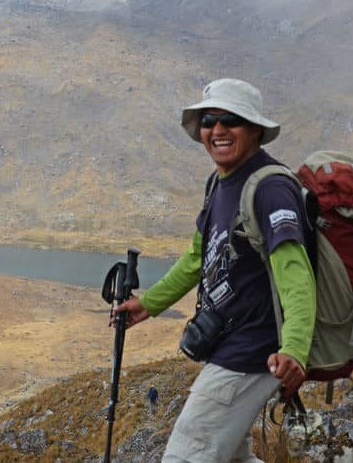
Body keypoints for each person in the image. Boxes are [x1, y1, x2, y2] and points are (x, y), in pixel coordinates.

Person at [114, 78, 316, 463]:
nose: (218, 130)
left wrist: (294, 349)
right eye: (209, 119)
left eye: (231, 120)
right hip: (229, 344)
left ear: (255, 130)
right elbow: (197, 257)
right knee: (233, 457)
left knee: (186, 455)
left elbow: (296, 276)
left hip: (254, 351)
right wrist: (148, 305)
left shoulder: (270, 189)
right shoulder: (220, 183)